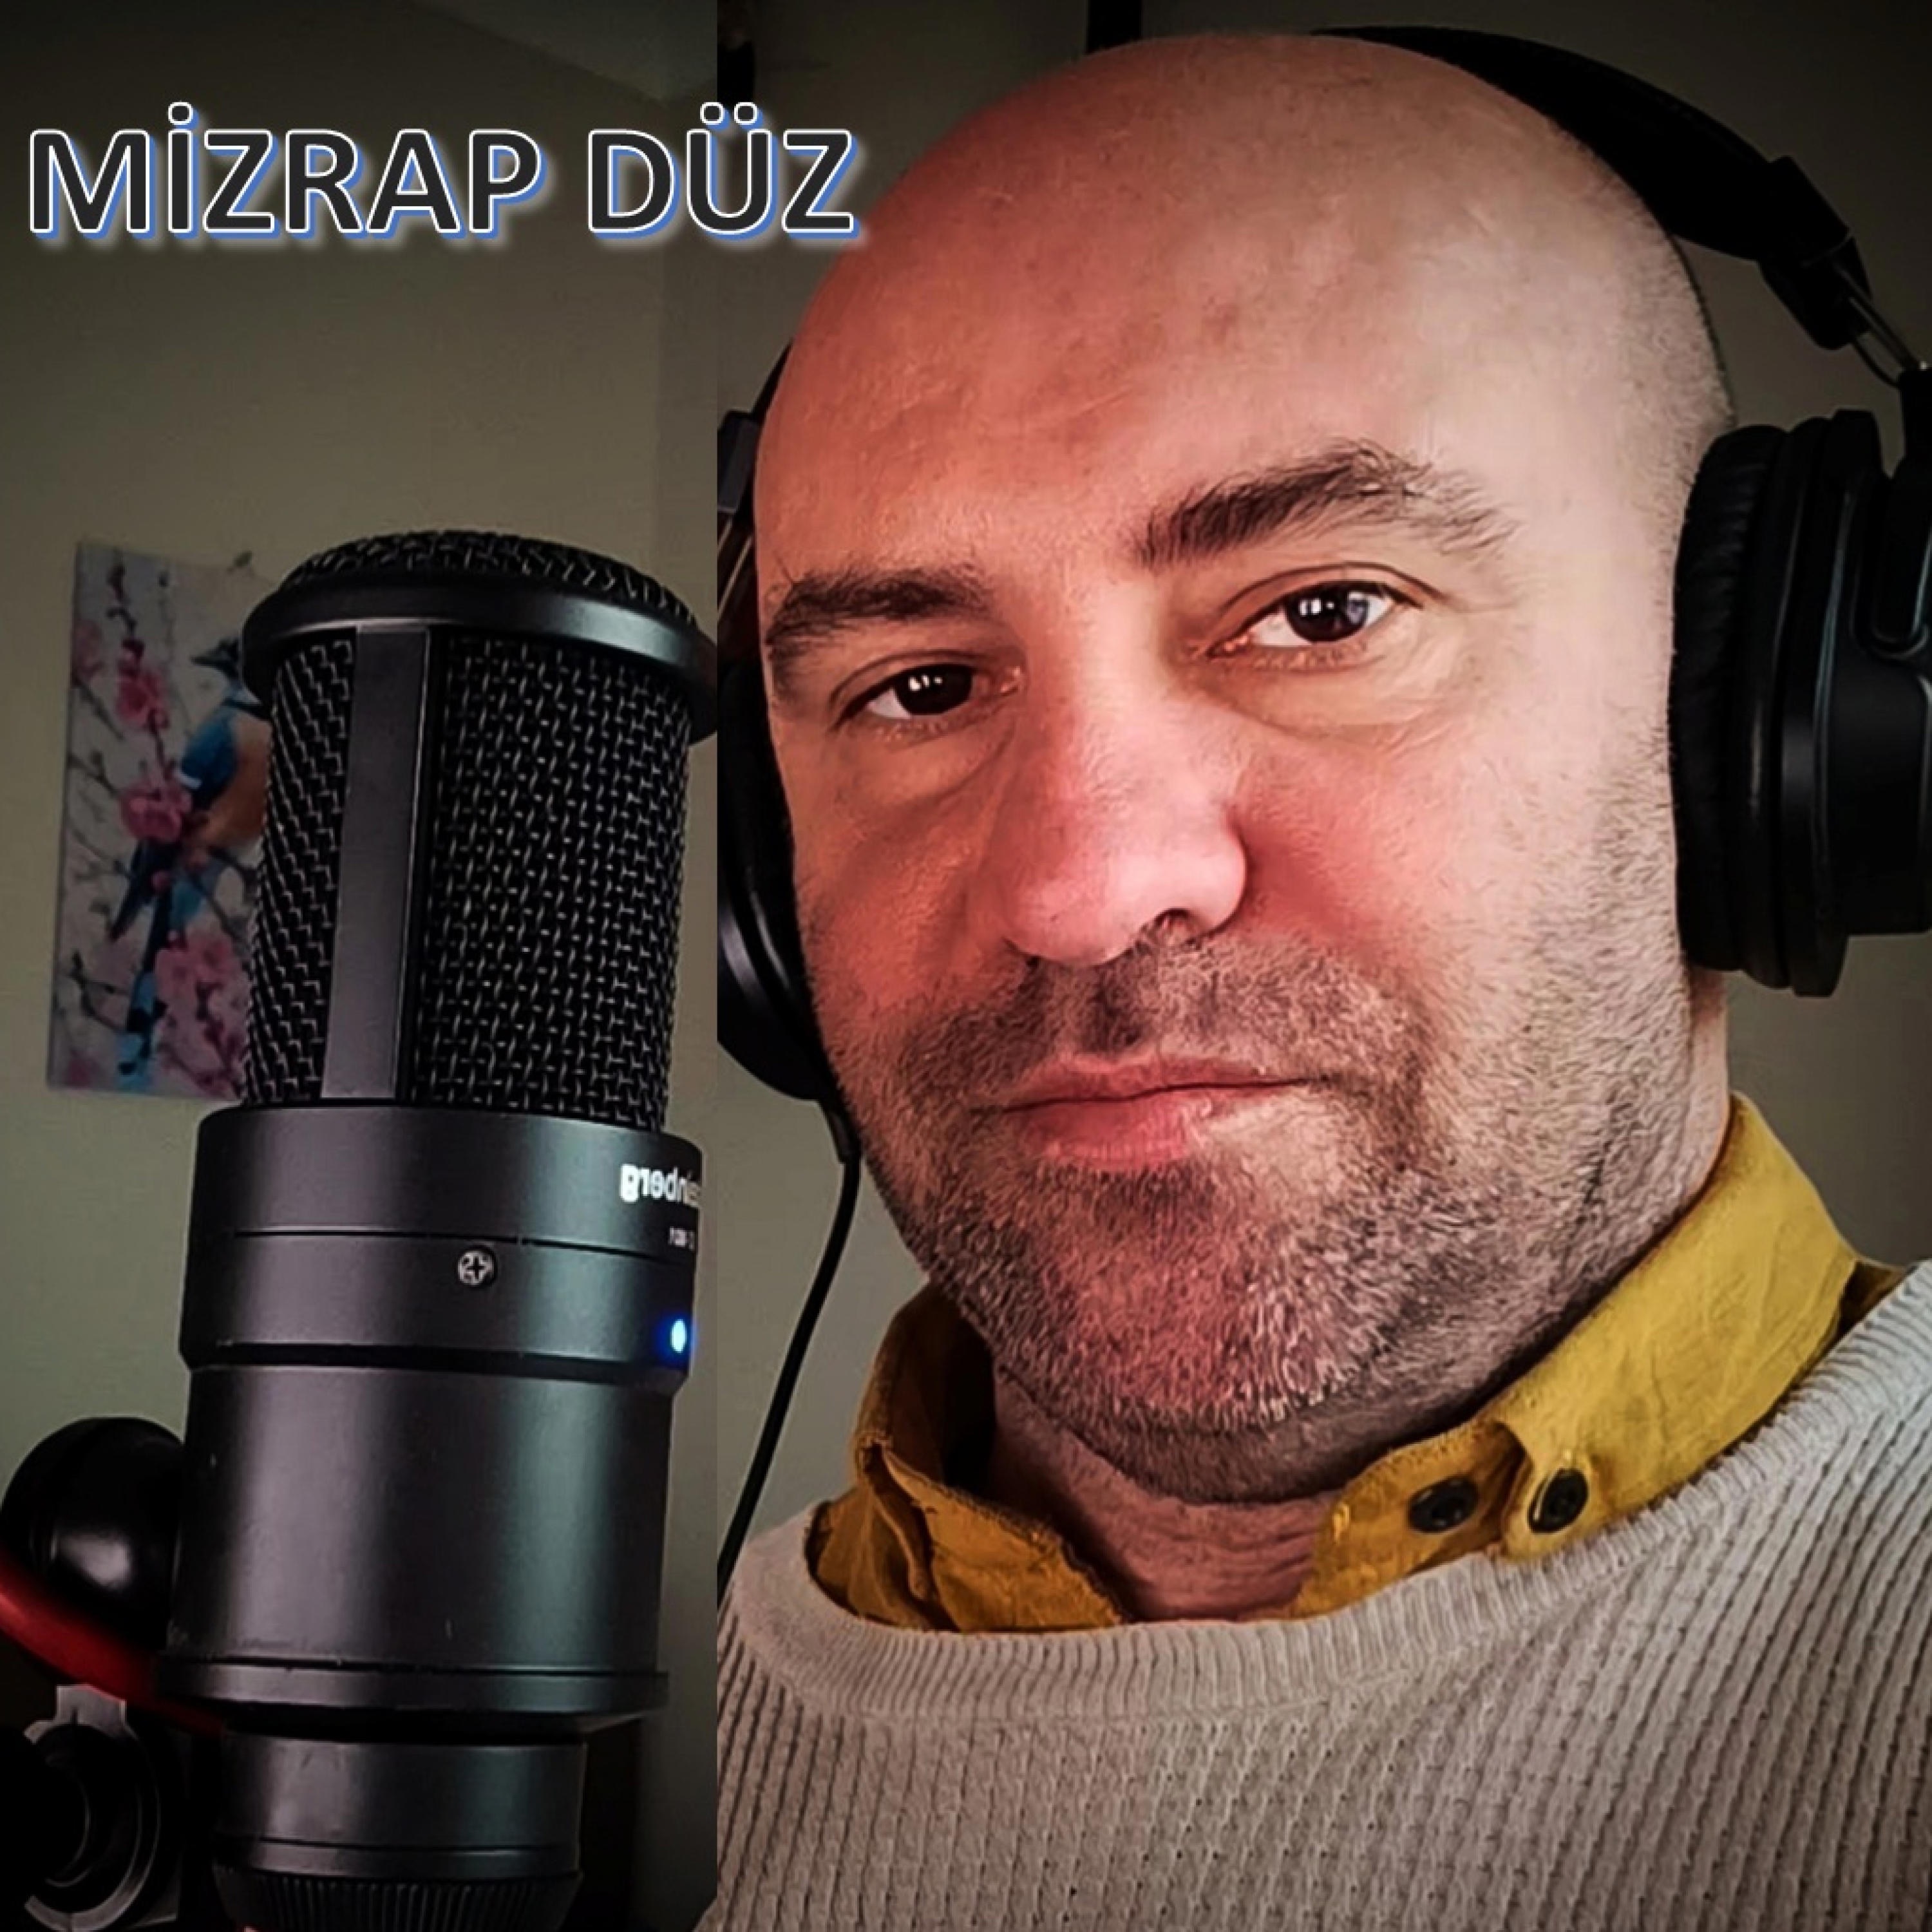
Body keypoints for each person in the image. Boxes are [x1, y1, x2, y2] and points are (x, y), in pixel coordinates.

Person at [711, 30, 1932, 1931]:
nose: (1081, 891)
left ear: (1761, 737)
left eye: (1323, 612)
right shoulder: (637, 1713)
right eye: (920, 687)